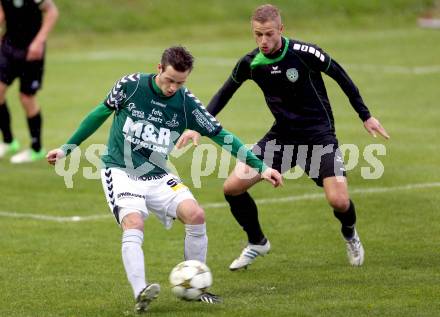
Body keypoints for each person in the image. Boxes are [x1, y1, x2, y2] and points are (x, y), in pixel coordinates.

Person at [46, 46, 282, 313]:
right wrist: (67, 148)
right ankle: (141, 293)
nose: (173, 87)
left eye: (180, 82)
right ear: (159, 69)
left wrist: (260, 167)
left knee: (196, 214)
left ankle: (196, 288)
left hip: (159, 174)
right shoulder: (131, 86)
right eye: (170, 80)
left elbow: (221, 135)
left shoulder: (186, 102)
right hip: (120, 172)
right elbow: (98, 114)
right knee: (133, 222)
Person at [178, 4, 389, 271]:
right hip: (282, 137)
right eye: (257, 35)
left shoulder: (305, 53)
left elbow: (341, 76)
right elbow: (225, 92)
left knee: (339, 201)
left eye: (268, 34)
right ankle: (257, 242)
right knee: (232, 187)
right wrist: (200, 124)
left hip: (318, 137)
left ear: (281, 29)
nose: (263, 41)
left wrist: (365, 115)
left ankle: (350, 233)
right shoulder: (251, 62)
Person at [0, 0, 58, 163]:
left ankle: (36, 148)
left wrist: (39, 41)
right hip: (8, 47)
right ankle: (8, 141)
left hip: (32, 50)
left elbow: (52, 12)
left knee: (26, 97)